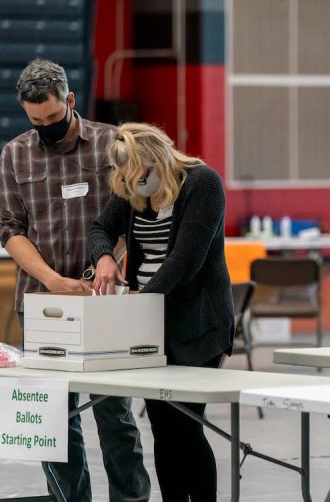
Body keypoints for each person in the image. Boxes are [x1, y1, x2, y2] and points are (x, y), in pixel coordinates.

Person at [0, 59, 151, 501]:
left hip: (104, 299)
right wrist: (52, 281)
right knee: (54, 418)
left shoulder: (111, 145)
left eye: (53, 116)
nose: (46, 126)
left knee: (113, 412)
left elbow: (140, 211)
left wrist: (108, 259)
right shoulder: (15, 153)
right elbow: (10, 228)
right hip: (44, 302)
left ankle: (130, 498)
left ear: (70, 100)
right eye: (35, 120)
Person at [88, 122, 234, 501]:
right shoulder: (133, 187)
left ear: (157, 160)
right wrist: (104, 258)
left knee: (185, 424)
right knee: (161, 425)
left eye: (134, 171)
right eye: (121, 172)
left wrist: (138, 304)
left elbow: (185, 261)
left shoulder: (203, 184)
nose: (126, 179)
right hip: (152, 323)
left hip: (199, 323)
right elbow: (100, 227)